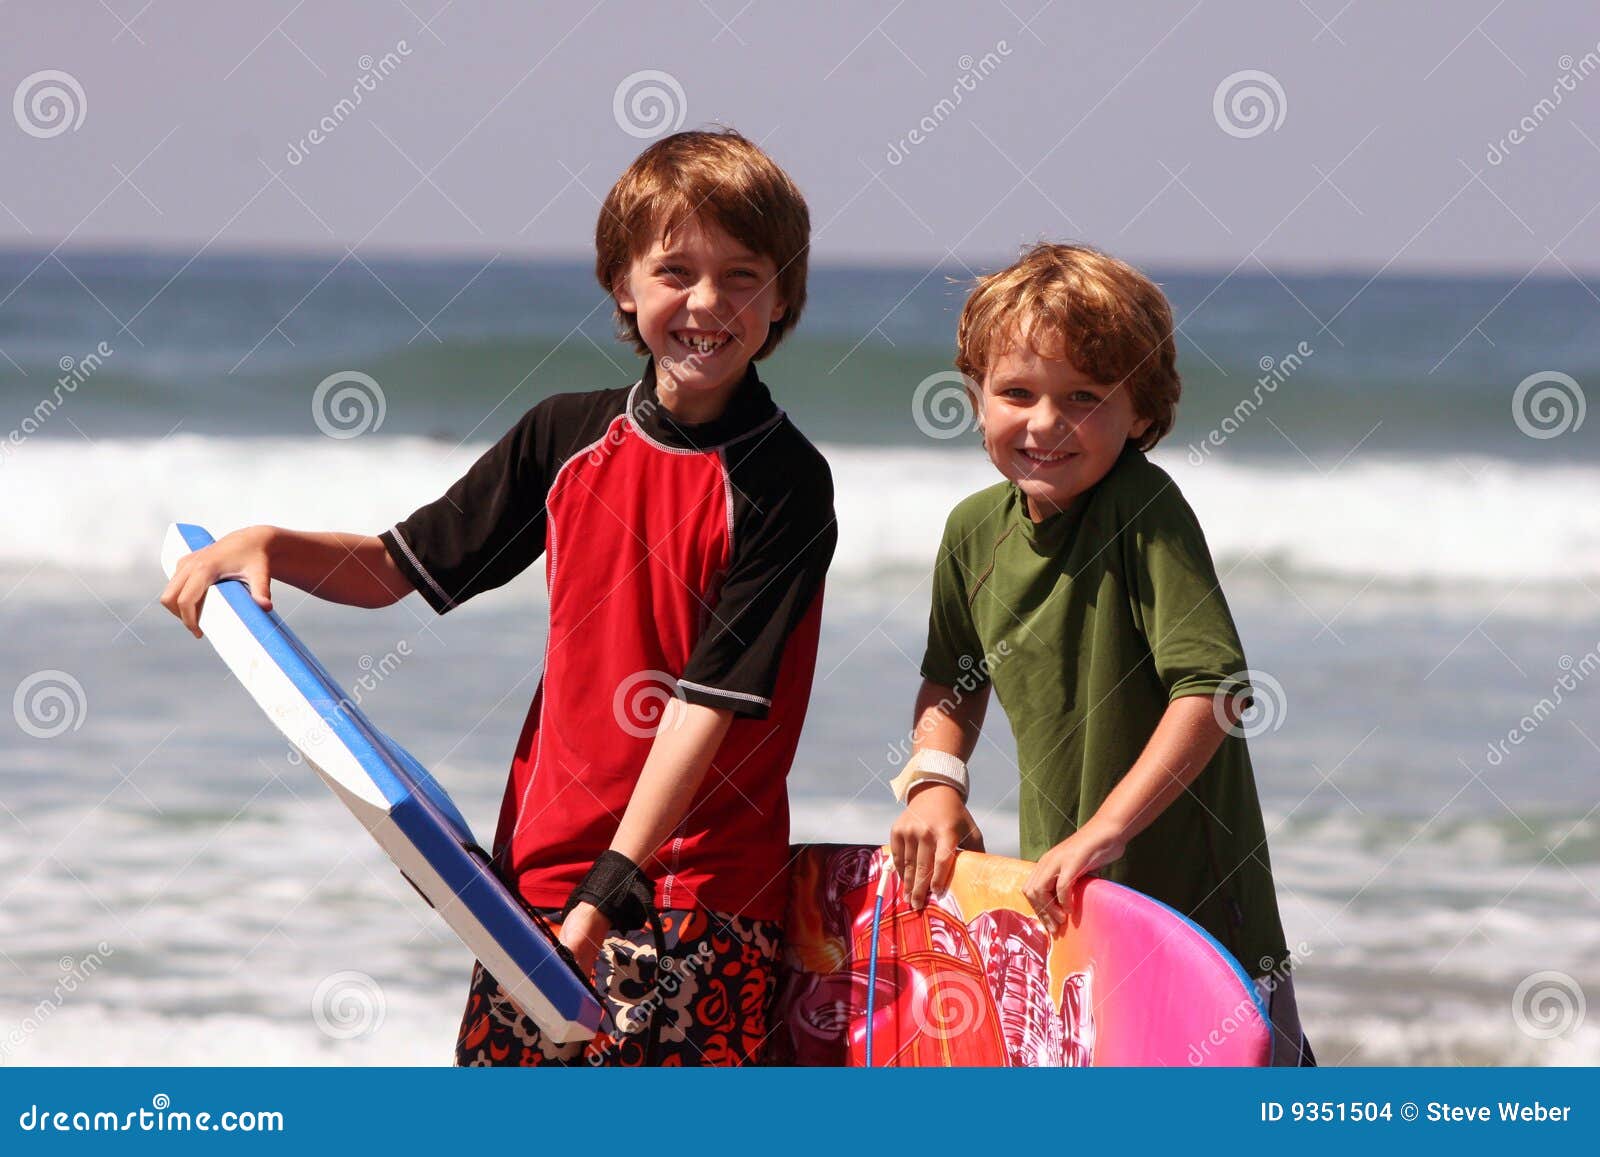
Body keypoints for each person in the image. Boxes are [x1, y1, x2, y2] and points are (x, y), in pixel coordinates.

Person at [161, 127, 837, 1067]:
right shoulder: (565, 437)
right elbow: (405, 565)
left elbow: (706, 708)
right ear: (624, 286)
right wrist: (272, 544)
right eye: (675, 270)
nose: (706, 303)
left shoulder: (785, 481)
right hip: (533, 889)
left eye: (742, 275)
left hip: (690, 894)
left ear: (784, 296)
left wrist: (612, 887)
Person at [886, 242, 1312, 1065]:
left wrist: (1108, 829)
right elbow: (951, 677)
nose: (1045, 423)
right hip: (1075, 895)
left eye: (1084, 397)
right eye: (1016, 393)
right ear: (975, 397)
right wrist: (934, 784)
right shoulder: (973, 531)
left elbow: (1214, 689)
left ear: (1142, 413)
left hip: (1198, 908)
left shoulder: (1143, 508)